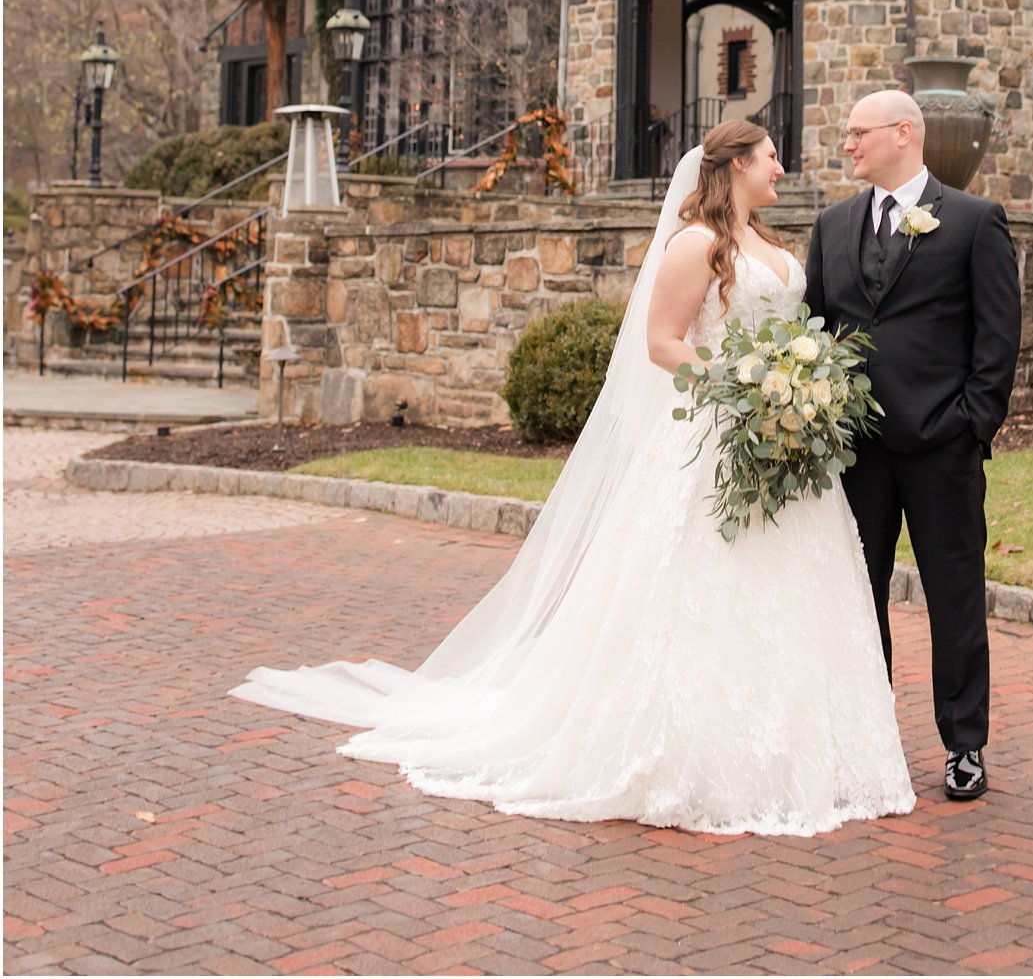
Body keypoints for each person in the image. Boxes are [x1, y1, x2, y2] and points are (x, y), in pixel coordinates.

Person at [230, 120, 913, 836]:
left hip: (783, 448)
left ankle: (801, 753)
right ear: (738, 163)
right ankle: (687, 754)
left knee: (791, 595)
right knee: (701, 595)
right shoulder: (695, 244)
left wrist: (793, 382)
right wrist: (746, 387)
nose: (782, 166)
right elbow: (661, 341)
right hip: (718, 436)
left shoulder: (770, 244)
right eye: (772, 155)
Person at [805, 89, 1021, 803]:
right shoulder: (832, 225)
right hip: (856, 454)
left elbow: (998, 337)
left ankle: (965, 743)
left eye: (859, 132)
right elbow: (817, 329)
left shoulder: (973, 220)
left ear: (905, 133)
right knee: (854, 598)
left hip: (941, 448)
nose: (848, 144)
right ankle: (868, 735)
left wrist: (971, 424)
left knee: (953, 596)